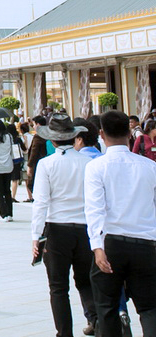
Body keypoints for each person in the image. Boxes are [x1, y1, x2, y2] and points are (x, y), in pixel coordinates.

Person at [84, 109, 156, 337]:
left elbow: (94, 210)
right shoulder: (149, 167)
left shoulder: (96, 167)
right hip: (146, 244)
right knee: (150, 308)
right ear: (129, 132)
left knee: (107, 308)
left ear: (101, 134)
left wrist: (97, 247)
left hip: (111, 243)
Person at [31, 113, 96, 337]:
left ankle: (64, 333)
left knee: (58, 287)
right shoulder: (88, 162)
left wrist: (35, 235)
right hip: (85, 228)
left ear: (53, 140)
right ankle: (96, 321)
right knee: (86, 281)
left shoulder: (46, 164)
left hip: (57, 227)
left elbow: (41, 202)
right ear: (74, 137)